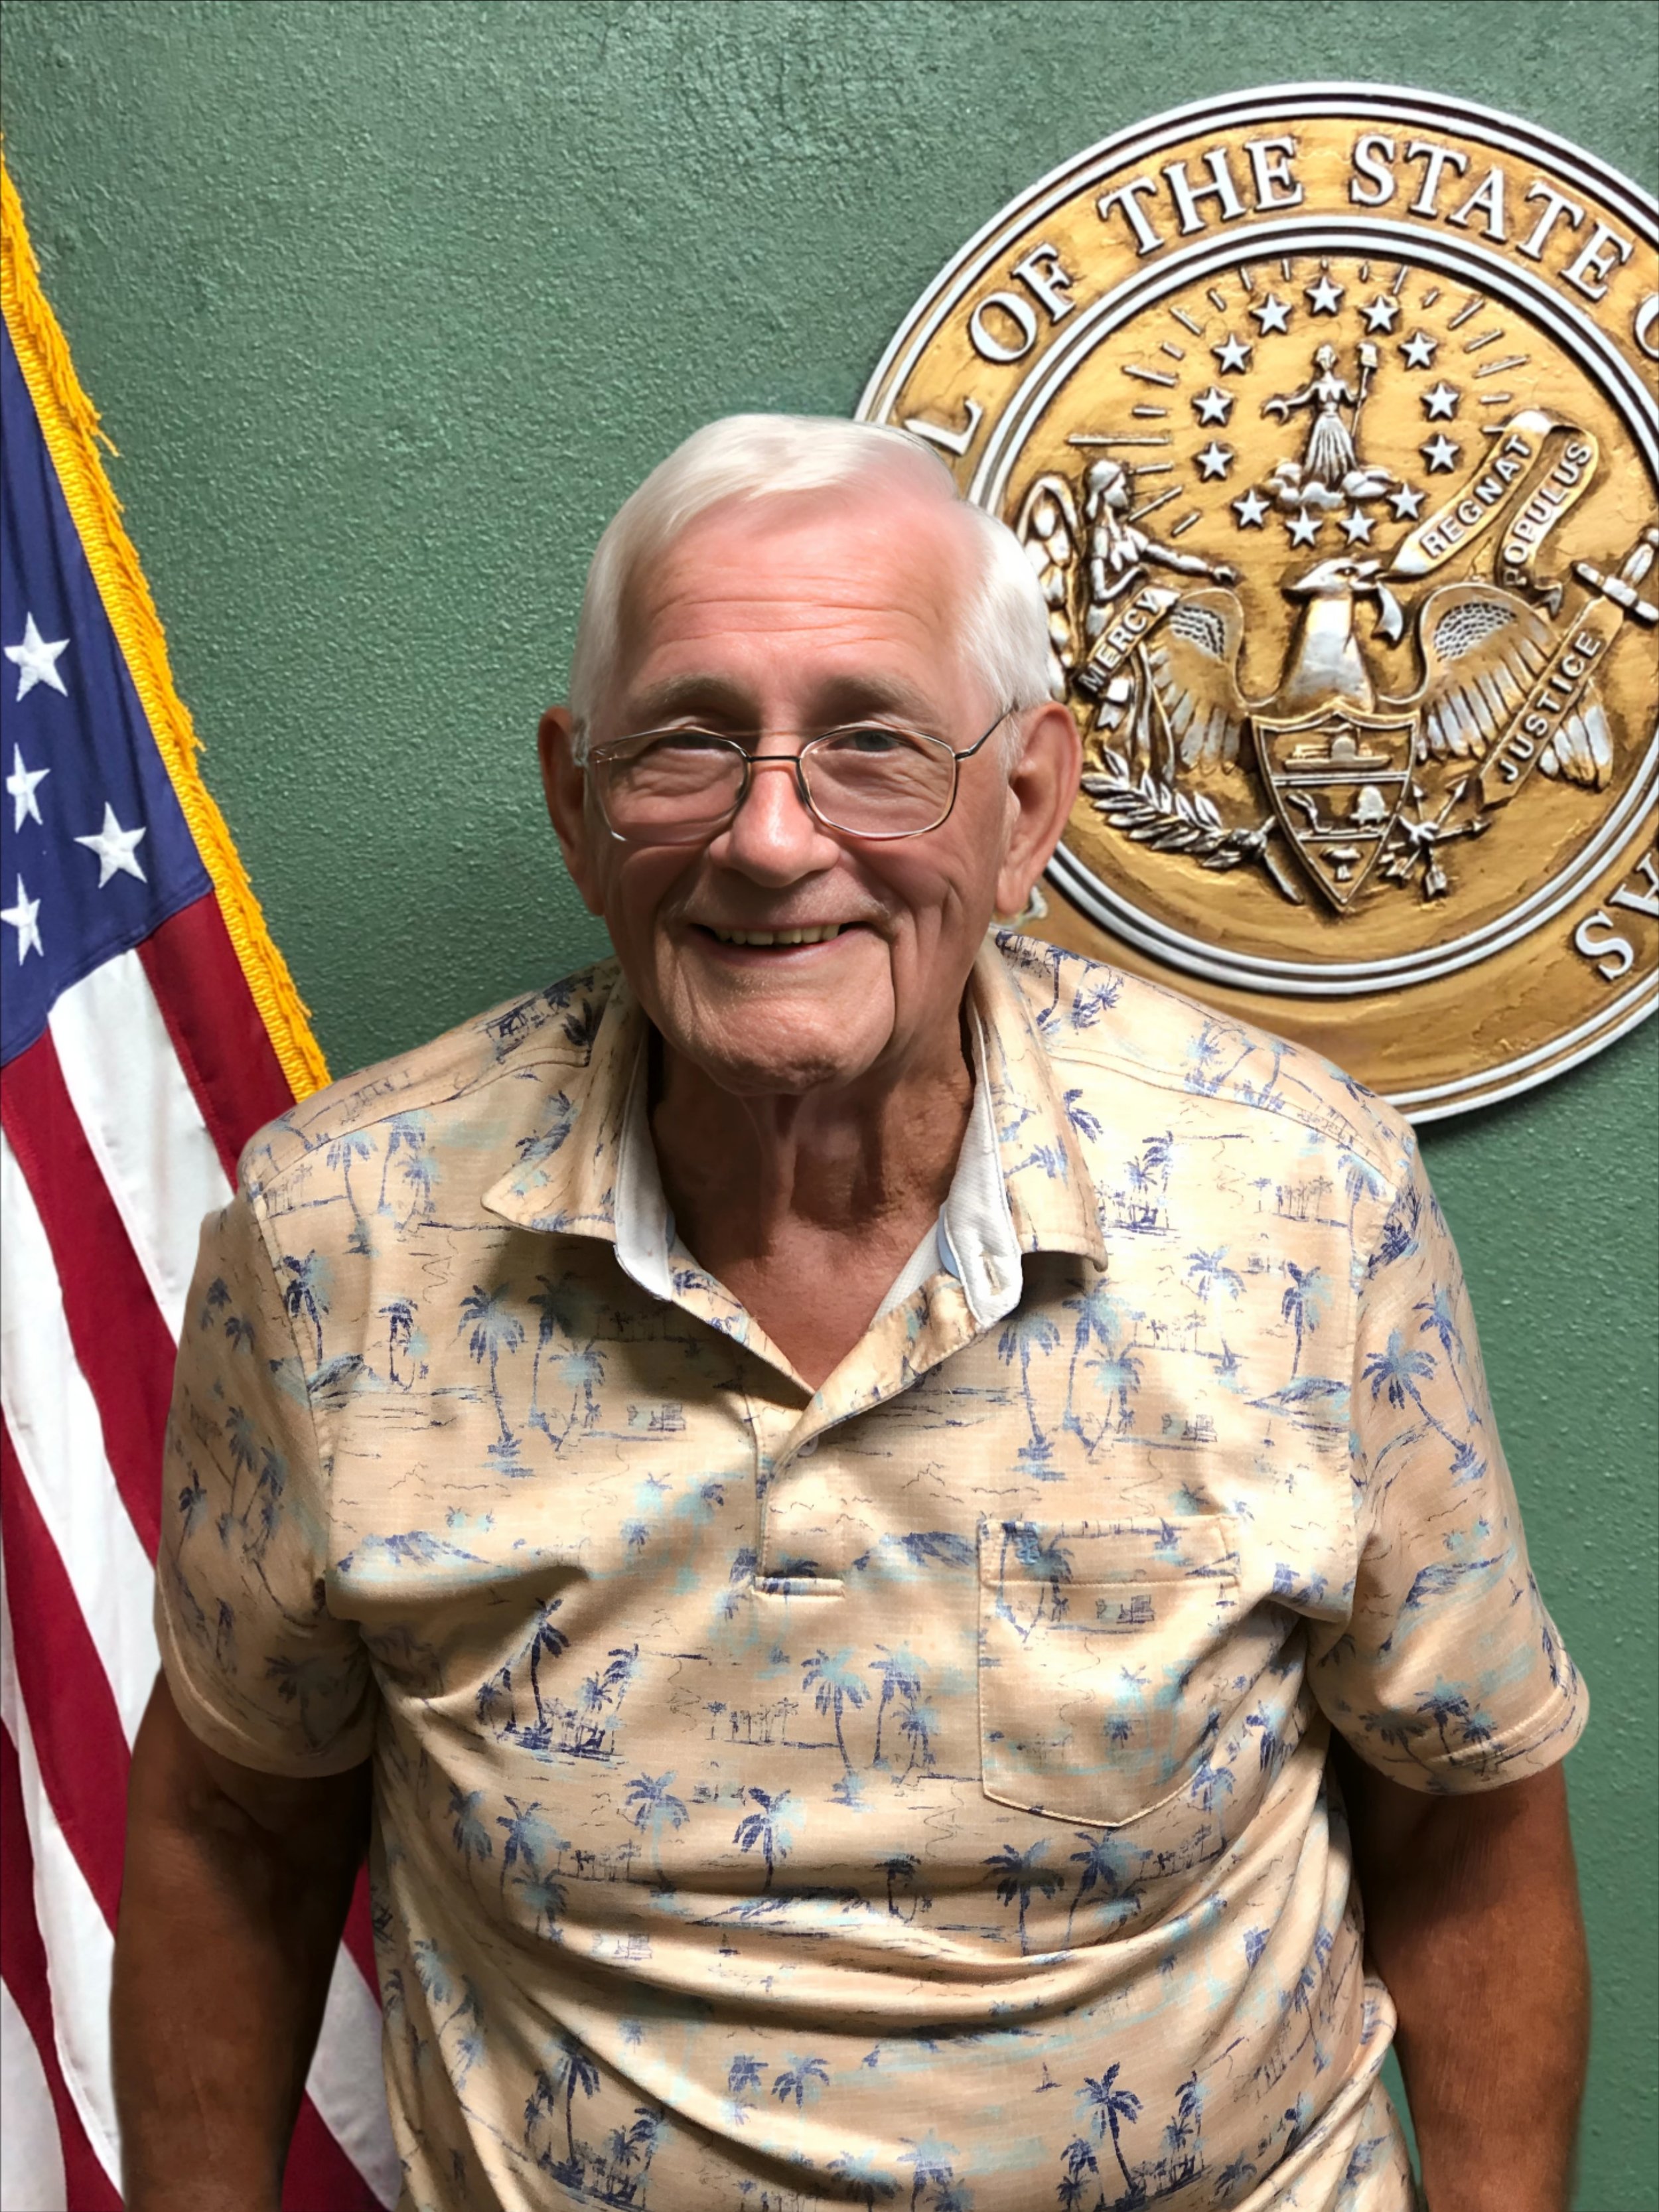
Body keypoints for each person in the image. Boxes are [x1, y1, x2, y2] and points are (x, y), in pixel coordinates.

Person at [114, 415, 1590, 2212]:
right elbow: (233, 1819)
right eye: (686, 743)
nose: (767, 837)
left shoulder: (1298, 1194)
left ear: (1025, 801)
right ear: (578, 804)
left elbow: (1466, 1814)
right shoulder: (338, 1232)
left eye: (872, 746)